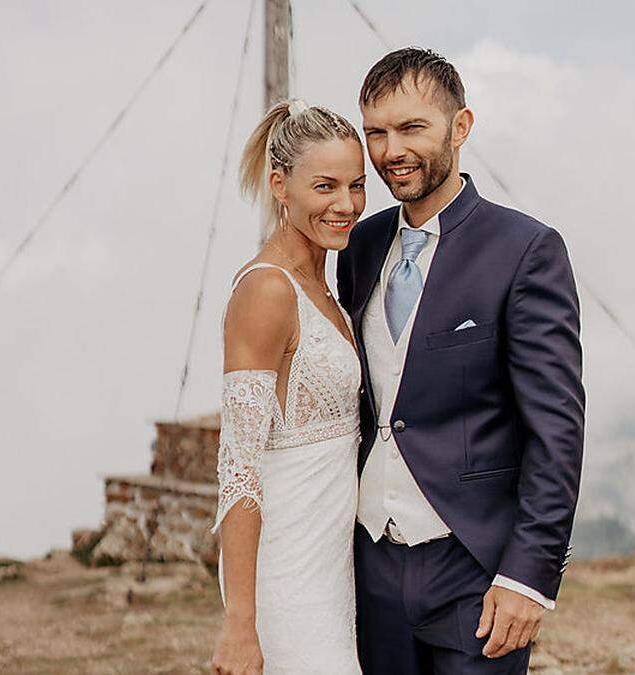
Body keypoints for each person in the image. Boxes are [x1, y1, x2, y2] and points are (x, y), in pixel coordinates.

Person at [336, 47, 586, 674]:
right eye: (377, 132)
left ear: (461, 127)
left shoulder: (525, 249)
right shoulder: (360, 246)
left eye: (412, 128)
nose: (392, 150)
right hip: (369, 569)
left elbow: (556, 430)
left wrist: (529, 577)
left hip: (473, 571)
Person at [209, 99, 367, 675]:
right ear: (281, 185)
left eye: (356, 185)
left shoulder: (327, 287)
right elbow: (240, 468)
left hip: (334, 576)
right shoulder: (266, 291)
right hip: (285, 588)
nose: (345, 204)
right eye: (325, 186)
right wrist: (240, 622)